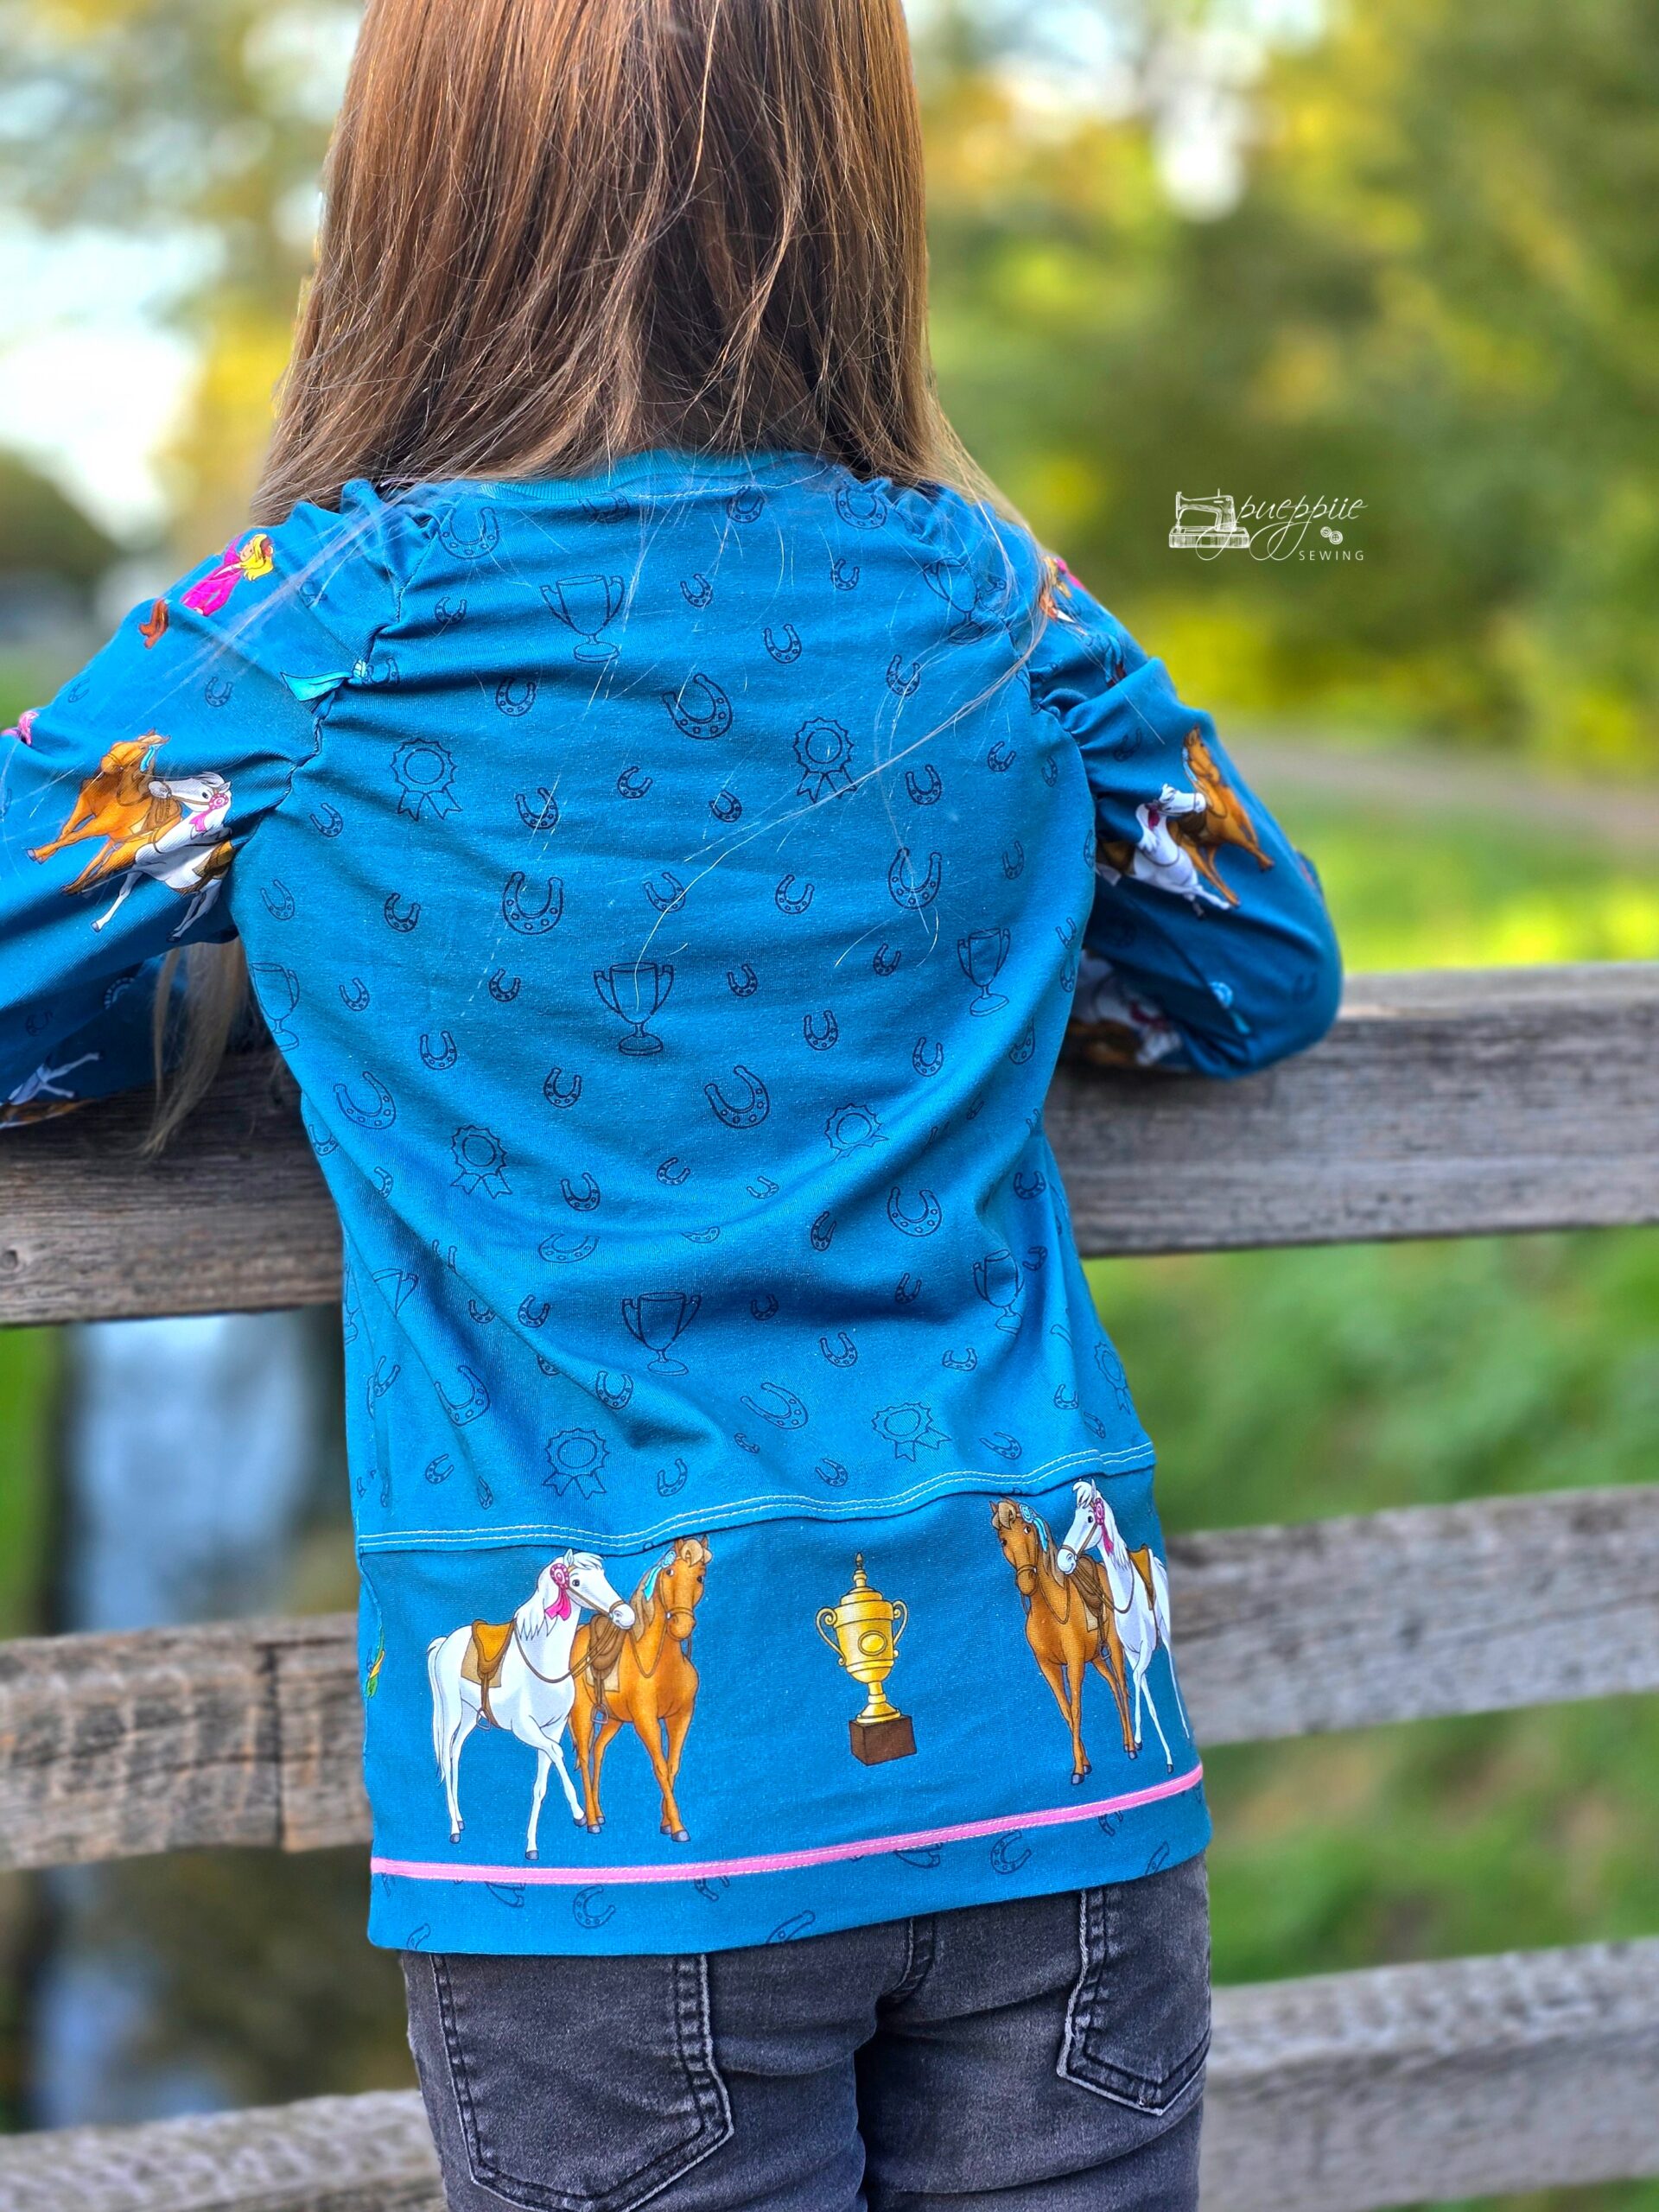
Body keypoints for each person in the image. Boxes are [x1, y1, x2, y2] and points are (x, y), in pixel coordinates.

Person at [0, 0, 1342, 2202]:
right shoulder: (1003, 605)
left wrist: (248, 998)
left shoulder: (307, 631)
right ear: (859, 194)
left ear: (417, 192)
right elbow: (1257, 967)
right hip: (1055, 1762)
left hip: (627, 1851)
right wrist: (996, 993)